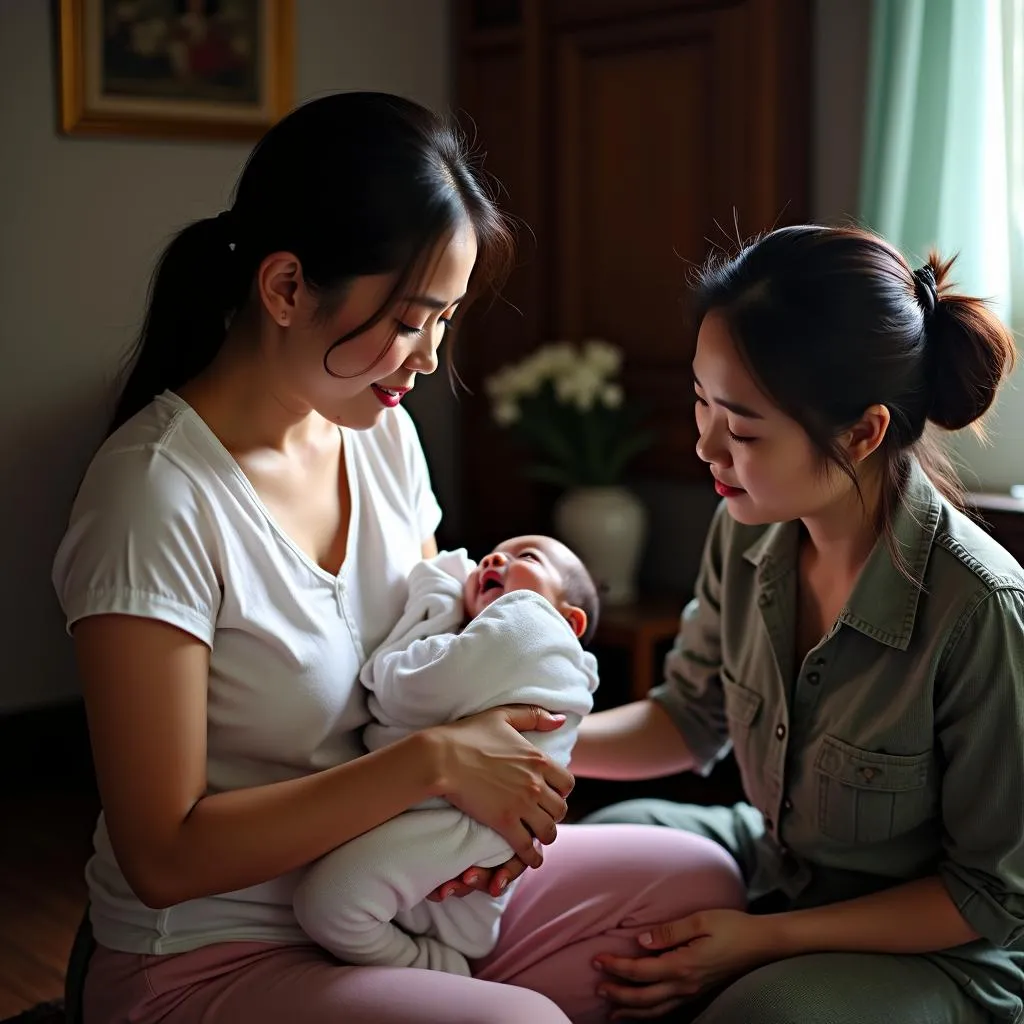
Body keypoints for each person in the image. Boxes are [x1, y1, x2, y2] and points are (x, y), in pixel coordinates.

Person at [51, 91, 745, 1024]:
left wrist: (509, 788)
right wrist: (438, 766)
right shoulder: (155, 494)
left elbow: (445, 649)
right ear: (287, 288)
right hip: (211, 952)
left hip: (398, 888)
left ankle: (425, 989)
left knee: (697, 880)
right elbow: (164, 856)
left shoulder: (379, 434)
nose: (425, 358)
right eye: (412, 319)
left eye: (446, 319)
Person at [574, 224, 1024, 1023]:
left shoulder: (980, 609)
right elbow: (690, 717)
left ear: (863, 432)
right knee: (598, 847)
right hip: (778, 864)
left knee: (766, 1013)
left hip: (941, 951)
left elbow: (990, 896)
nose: (705, 445)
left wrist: (759, 941)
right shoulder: (745, 529)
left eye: (742, 430)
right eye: (701, 404)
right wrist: (531, 747)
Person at [294, 535, 601, 976]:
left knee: (326, 903)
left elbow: (400, 688)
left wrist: (436, 592)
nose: (495, 557)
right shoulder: (491, 651)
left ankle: (435, 966)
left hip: (462, 820)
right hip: (471, 821)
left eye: (527, 557)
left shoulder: (534, 625)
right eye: (492, 552)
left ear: (569, 621)